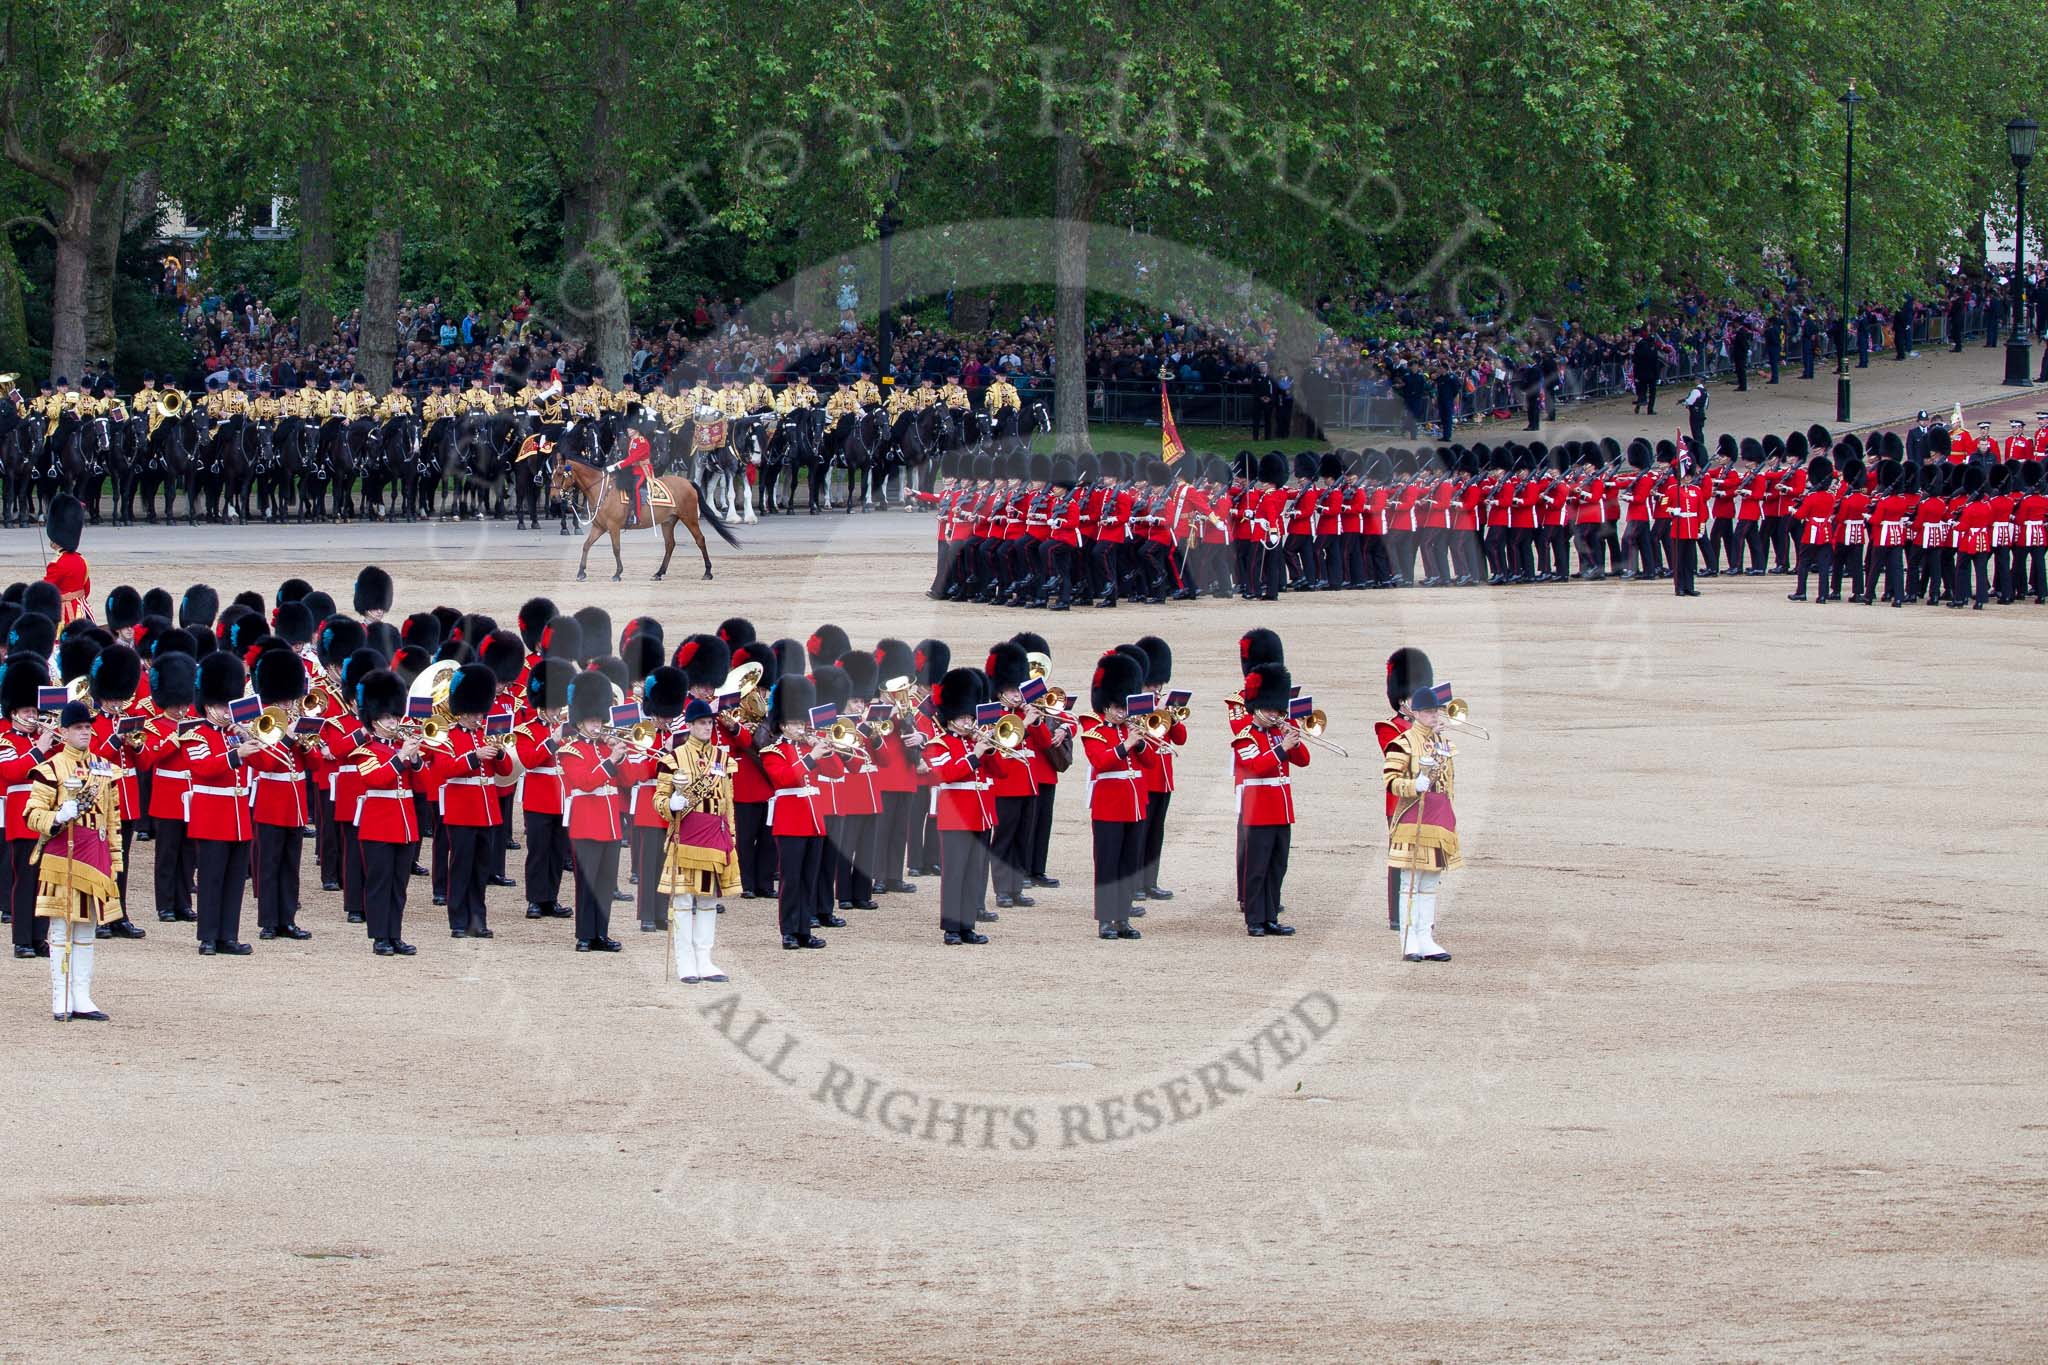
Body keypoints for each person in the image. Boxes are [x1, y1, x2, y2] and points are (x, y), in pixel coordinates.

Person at [25, 701, 122, 1019]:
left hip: (95, 856)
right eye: (79, 727)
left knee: (86, 929)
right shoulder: (51, 769)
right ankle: (61, 996)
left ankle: (82, 996)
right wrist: (58, 816)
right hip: (62, 856)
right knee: (60, 928)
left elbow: (113, 819)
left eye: (87, 727)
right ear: (63, 732)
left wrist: (115, 862)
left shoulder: (104, 768)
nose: (85, 732)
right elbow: (31, 814)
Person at [426, 663, 514, 939]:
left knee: (480, 870)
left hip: (486, 810)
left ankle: (478, 920)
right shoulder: (447, 736)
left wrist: (498, 754)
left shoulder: (486, 734)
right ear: (461, 710)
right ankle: (458, 920)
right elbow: (444, 769)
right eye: (475, 711)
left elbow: (507, 770)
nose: (479, 716)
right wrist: (474, 757)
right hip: (461, 810)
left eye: (481, 710)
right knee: (461, 867)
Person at [656, 697, 739, 983]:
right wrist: (674, 804)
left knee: (707, 900)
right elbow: (659, 799)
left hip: (714, 836)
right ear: (690, 725)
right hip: (687, 834)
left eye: (709, 723)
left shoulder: (722, 759)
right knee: (682, 899)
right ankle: (685, 962)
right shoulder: (674, 758)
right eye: (702, 723)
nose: (707, 727)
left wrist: (732, 835)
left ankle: (705, 959)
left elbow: (728, 801)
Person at [184, 652, 258, 956]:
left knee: (234, 879)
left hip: (238, 816)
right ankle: (208, 936)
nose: (228, 711)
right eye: (222, 706)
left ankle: (228, 934)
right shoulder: (194, 733)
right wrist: (236, 754)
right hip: (212, 815)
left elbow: (264, 762)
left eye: (230, 705)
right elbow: (203, 768)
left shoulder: (234, 734)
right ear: (209, 705)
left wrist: (248, 738)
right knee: (212, 878)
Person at [1078, 650, 1153, 940]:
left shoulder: (1131, 727)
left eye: (1124, 706)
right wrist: (1126, 744)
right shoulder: (1092, 727)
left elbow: (1149, 763)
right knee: (1108, 865)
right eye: (1118, 707)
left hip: (1135, 805)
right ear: (1106, 704)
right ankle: (1106, 919)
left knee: (1128, 865)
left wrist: (1141, 742)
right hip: (1109, 805)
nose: (1123, 711)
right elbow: (1101, 761)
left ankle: (1123, 918)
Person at [758, 674, 836, 950]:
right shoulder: (772, 751)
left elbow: (837, 772)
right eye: (793, 723)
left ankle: (805, 929)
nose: (799, 727)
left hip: (815, 822)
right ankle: (789, 930)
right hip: (790, 822)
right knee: (791, 880)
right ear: (781, 725)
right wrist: (812, 757)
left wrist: (828, 750)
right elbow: (785, 780)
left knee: (808, 879)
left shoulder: (809, 747)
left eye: (801, 722)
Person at [1232, 661, 1308, 937]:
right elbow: (1256, 766)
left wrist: (1295, 740)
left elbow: (1303, 761)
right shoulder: (1245, 737)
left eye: (1277, 709)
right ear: (1256, 708)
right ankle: (1254, 919)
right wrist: (1282, 748)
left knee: (1277, 866)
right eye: (1269, 709)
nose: (1274, 715)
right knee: (1257, 868)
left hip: (1281, 810)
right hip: (1258, 811)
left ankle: (1271, 916)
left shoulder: (1280, 733)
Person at [350, 669, 424, 956]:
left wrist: (415, 759)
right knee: (380, 883)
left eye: (395, 716)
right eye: (388, 718)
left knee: (399, 885)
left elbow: (426, 785)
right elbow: (375, 780)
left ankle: (395, 934)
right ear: (374, 721)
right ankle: (379, 936)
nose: (394, 722)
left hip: (404, 824)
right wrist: (402, 756)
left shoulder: (400, 748)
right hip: (379, 825)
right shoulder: (366, 751)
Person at [1383, 688, 1459, 963]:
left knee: (1429, 883)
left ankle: (1425, 935)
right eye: (1428, 712)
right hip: (1413, 816)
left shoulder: (1442, 742)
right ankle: (1408, 937)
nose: (1433, 716)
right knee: (1409, 883)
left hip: (1438, 816)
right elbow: (1391, 781)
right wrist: (1413, 784)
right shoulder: (1403, 742)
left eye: (1436, 711)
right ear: (1415, 713)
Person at [921, 667, 995, 946]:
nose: (967, 722)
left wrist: (990, 749)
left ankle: (968, 926)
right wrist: (975, 755)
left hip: (981, 815)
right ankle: (952, 927)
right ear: (950, 718)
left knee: (973, 873)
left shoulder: (976, 742)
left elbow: (1001, 772)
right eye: (963, 717)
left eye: (969, 716)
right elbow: (947, 774)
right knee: (954, 874)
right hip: (955, 817)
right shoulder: (939, 744)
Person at [558, 670, 627, 952]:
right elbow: (584, 782)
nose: (597, 725)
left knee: (606, 883)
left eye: (599, 720)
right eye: (592, 720)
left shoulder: (605, 747)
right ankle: (585, 935)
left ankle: (601, 932)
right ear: (580, 721)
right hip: (587, 822)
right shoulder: (570, 750)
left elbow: (630, 779)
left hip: (611, 824)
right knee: (587, 884)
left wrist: (622, 755)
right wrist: (611, 760)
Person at [1788, 456, 1837, 603]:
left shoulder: (1811, 497)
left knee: (1804, 563)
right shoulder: (1831, 496)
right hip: (1826, 533)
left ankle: (1801, 592)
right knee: (1823, 565)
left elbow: (1800, 515)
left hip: (1811, 533)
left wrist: (1792, 510)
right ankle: (1822, 595)